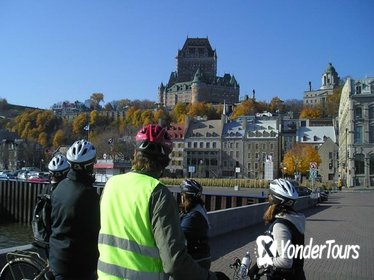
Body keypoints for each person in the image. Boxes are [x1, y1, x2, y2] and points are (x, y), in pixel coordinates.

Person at [97, 124, 229, 280]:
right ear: (164, 162)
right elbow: (175, 263)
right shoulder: (157, 193)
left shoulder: (111, 185)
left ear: (135, 153)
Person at [49, 139, 100, 280]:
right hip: (78, 266)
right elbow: (96, 230)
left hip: (57, 258)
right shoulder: (88, 195)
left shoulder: (59, 188)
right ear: (89, 166)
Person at [249, 179, 306, 280]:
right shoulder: (292, 220)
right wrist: (256, 267)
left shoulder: (280, 226)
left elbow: (286, 261)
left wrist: (263, 262)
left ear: (275, 199)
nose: (268, 197)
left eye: (270, 195)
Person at [179, 179, 211, 269]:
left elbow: (179, 237)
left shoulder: (193, 217)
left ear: (185, 196)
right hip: (201, 257)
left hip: (196, 260)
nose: (181, 197)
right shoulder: (198, 209)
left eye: (182, 194)